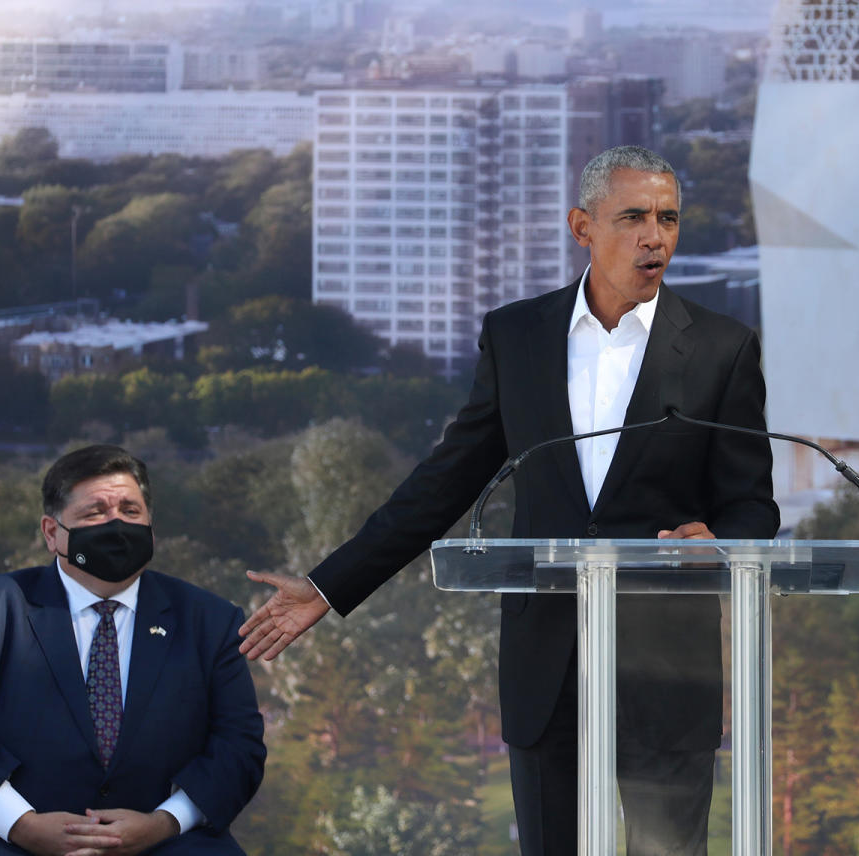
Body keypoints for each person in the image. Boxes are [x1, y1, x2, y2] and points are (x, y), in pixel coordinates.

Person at [239, 145, 779, 855]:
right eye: (634, 217)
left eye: (669, 218)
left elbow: (754, 508)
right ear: (582, 227)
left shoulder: (722, 347)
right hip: (545, 668)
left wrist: (719, 539)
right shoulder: (517, 336)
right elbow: (445, 483)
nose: (656, 236)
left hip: (666, 669)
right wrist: (327, 586)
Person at [0, 444, 266, 856]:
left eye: (131, 511)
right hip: (2, 839)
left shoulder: (211, 620)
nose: (116, 525)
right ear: (51, 533)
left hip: (163, 841)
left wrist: (163, 823)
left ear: (152, 526)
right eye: (95, 513)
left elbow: (239, 747)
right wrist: (22, 826)